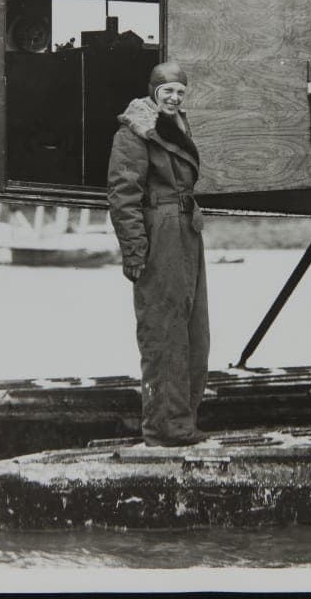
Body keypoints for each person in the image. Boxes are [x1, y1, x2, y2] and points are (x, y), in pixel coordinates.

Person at [107, 61, 210, 447]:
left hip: (186, 230)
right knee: (163, 329)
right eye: (167, 90)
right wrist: (135, 252)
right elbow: (123, 196)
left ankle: (183, 421)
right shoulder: (134, 132)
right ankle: (164, 428)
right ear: (153, 91)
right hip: (161, 232)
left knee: (194, 330)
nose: (175, 97)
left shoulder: (177, 125)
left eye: (180, 91)